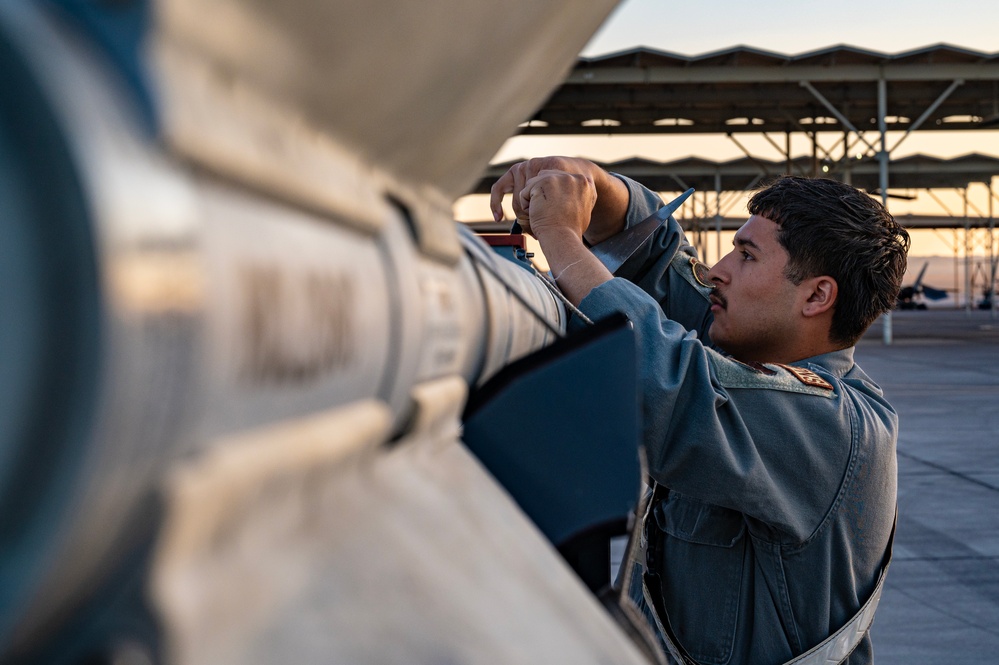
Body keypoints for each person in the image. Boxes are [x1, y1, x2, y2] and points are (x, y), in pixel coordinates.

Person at [489, 157, 909, 665]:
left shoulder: (833, 424)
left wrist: (561, 238)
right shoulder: (754, 350)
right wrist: (590, 185)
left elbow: (664, 383)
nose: (716, 271)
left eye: (747, 257)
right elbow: (660, 263)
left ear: (817, 295)